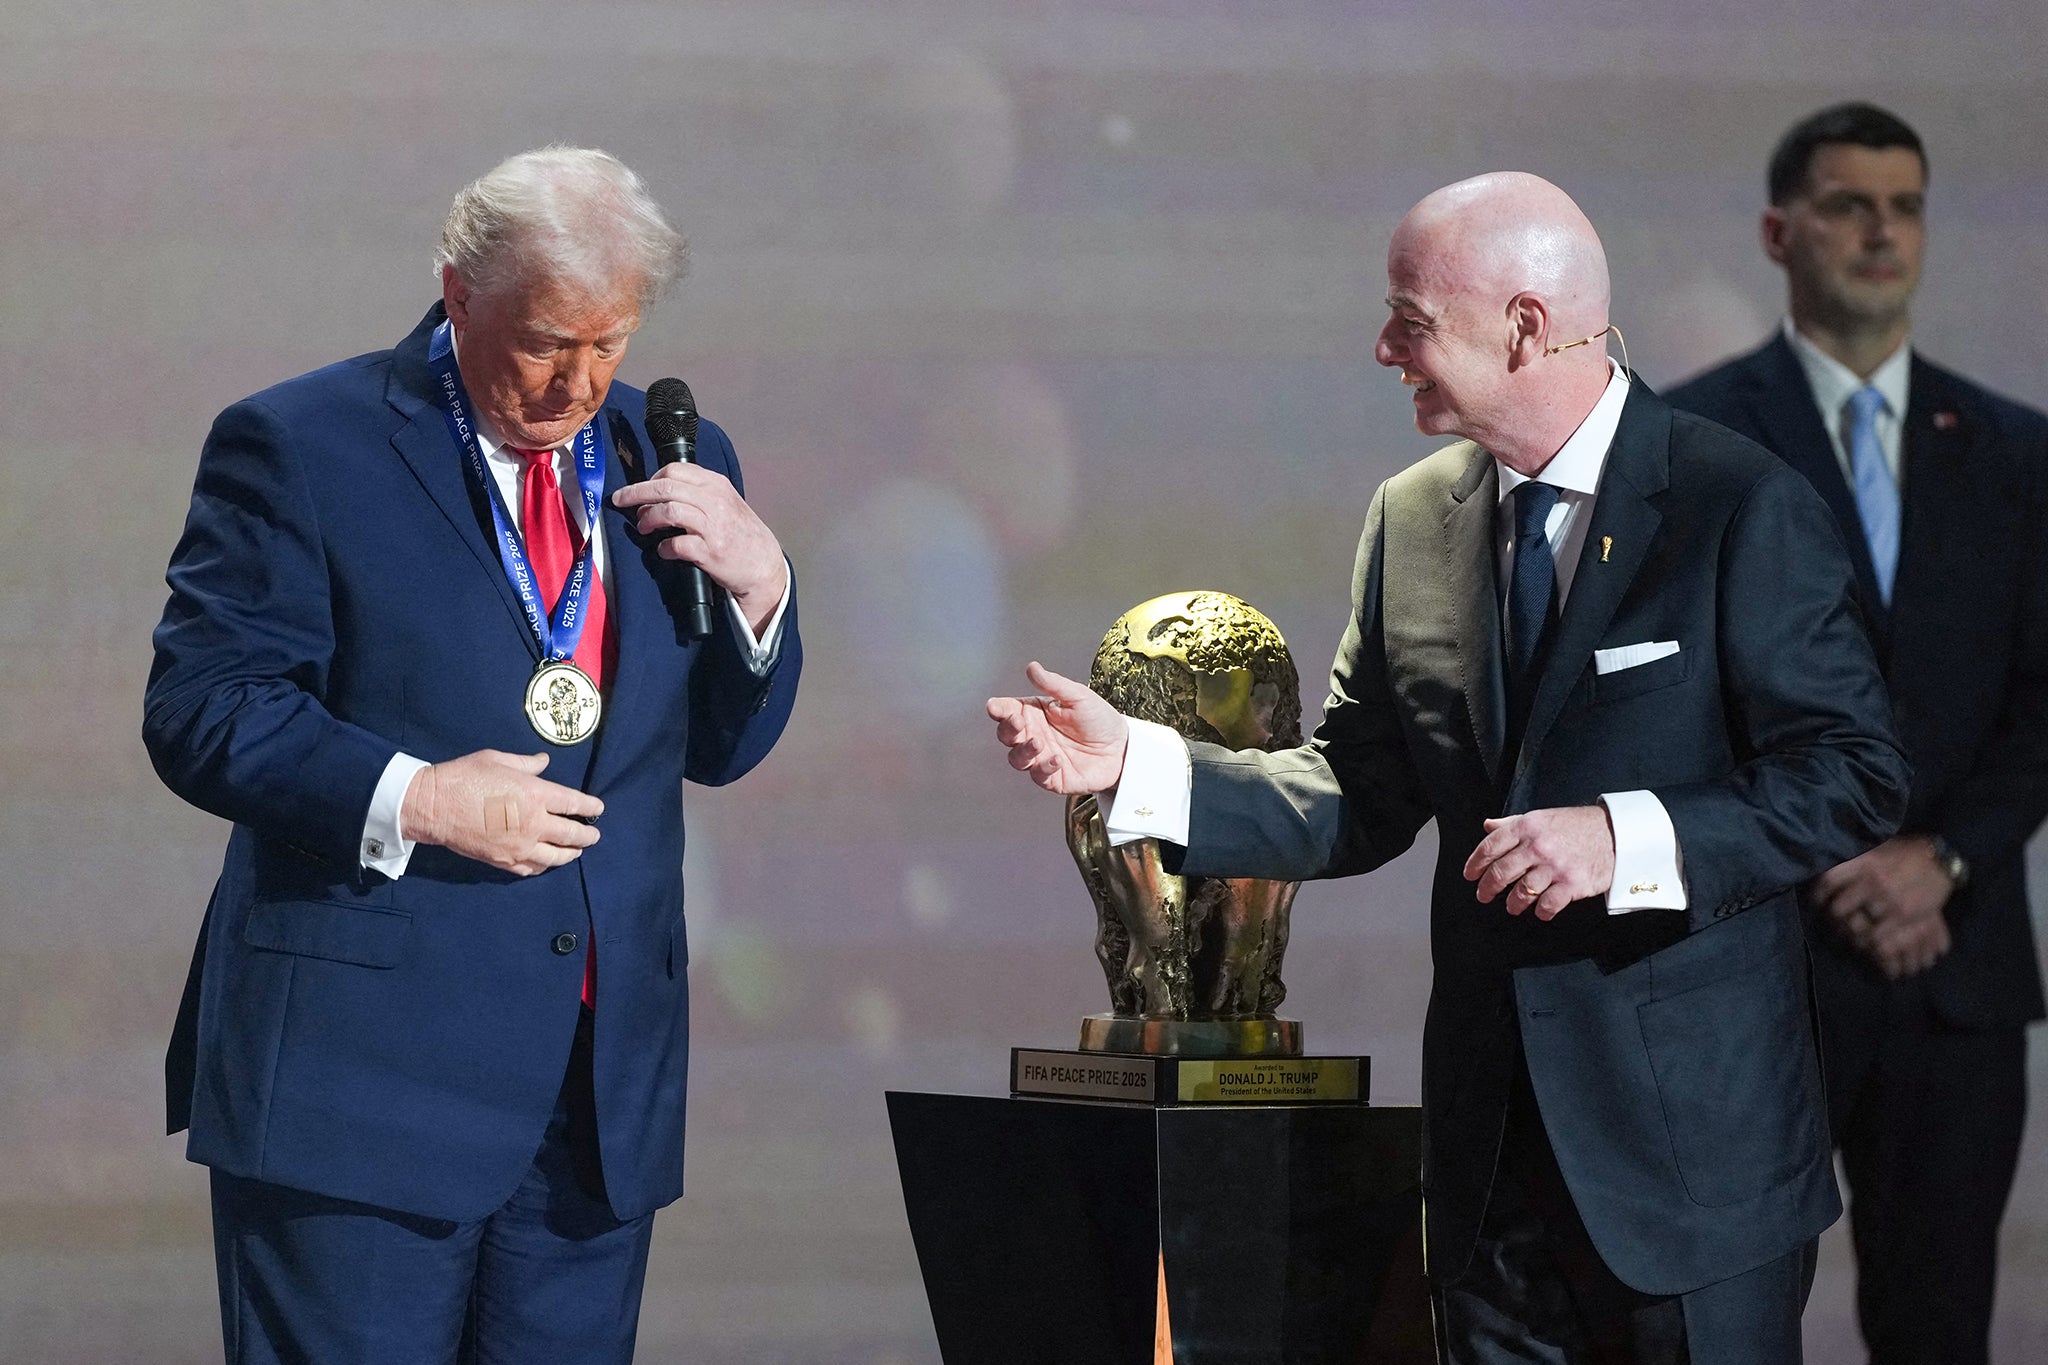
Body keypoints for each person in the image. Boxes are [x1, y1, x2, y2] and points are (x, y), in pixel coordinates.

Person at [989, 172, 1910, 1363]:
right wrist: (1139, 766)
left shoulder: (1735, 504)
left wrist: (1625, 838)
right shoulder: (1410, 518)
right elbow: (1353, 792)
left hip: (1690, 1172)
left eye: (1409, 321)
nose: (1383, 350)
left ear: (1525, 326)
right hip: (1486, 1182)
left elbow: (1850, 772)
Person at [144, 147, 802, 1363]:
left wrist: (763, 596)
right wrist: (416, 798)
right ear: (457, 293)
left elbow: (716, 748)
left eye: (610, 342)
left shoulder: (671, 453)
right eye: (548, 341)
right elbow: (204, 708)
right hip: (361, 1085)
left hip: (596, 1097)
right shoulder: (304, 442)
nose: (579, 382)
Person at [1668, 103, 2048, 1365]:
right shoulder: (1687, 440)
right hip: (1761, 967)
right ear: (1778, 233)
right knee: (1723, 1329)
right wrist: (1828, 851)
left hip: (1953, 969)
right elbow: (1671, 697)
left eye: (1904, 207)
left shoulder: (2015, 452)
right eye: (1846, 205)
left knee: (1938, 1333)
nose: (1880, 233)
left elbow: (2041, 699)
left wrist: (1939, 859)